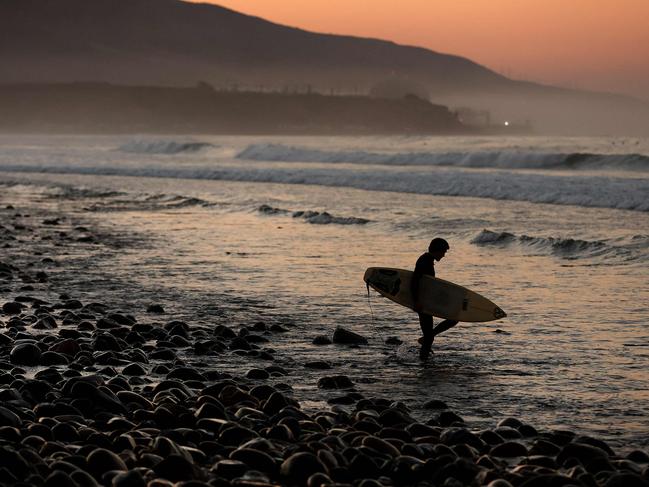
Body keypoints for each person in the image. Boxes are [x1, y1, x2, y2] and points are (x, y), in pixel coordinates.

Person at [411, 238, 458, 361]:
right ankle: (424, 363)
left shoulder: (428, 260)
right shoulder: (424, 261)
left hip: (427, 300)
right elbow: (414, 281)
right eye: (443, 252)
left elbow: (428, 283)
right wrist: (417, 301)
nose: (443, 255)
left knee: (451, 320)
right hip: (422, 302)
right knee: (430, 335)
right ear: (437, 250)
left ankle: (424, 361)